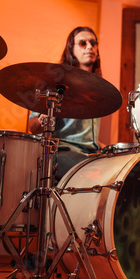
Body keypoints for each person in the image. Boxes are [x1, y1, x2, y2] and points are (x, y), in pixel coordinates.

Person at [29, 26, 103, 181]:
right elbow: (32, 128)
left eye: (93, 43)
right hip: (60, 150)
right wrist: (45, 116)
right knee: (95, 174)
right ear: (71, 49)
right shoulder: (55, 83)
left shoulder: (100, 89)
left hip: (90, 153)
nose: (90, 47)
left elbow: (86, 136)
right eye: (83, 43)